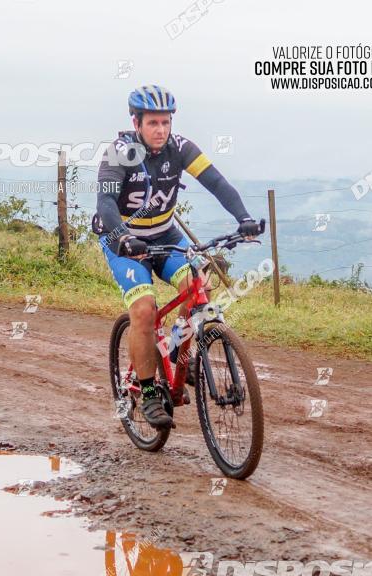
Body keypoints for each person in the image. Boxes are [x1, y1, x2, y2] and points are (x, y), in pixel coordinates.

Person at [95, 84, 259, 429]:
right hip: (123, 241)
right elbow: (106, 203)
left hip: (166, 236)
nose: (161, 130)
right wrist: (123, 238)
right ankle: (150, 389)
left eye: (166, 122)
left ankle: (175, 350)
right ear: (136, 122)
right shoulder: (119, 153)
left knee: (199, 288)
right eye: (153, 123)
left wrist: (243, 218)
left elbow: (216, 182)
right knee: (144, 309)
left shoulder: (180, 148)